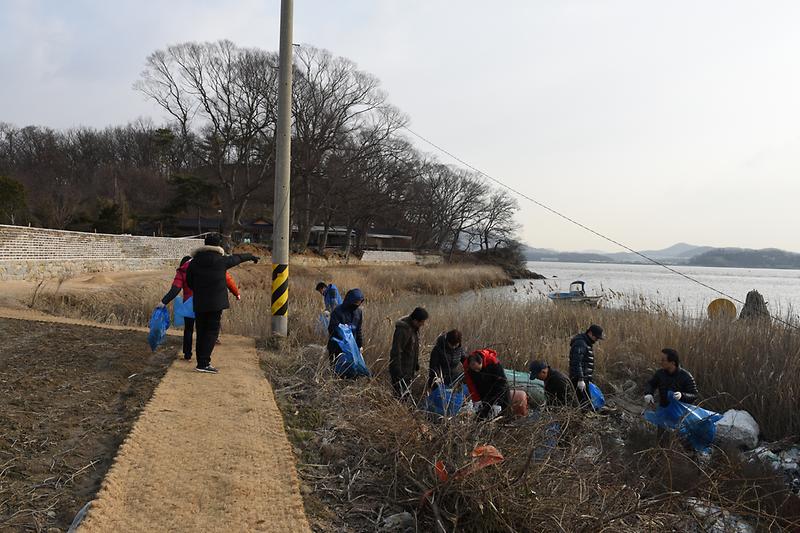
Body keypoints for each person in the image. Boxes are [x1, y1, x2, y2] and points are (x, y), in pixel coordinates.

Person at [185, 233, 259, 374]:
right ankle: (204, 363)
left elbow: (189, 281)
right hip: (216, 303)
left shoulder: (194, 262)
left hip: (199, 301)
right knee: (212, 331)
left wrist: (199, 290)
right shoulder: (221, 261)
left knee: (201, 331)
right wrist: (251, 256)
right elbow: (237, 258)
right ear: (218, 246)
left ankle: (201, 361)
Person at [158, 256, 194, 361]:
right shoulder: (203, 268)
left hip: (189, 303)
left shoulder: (183, 270)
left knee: (188, 330)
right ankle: (203, 358)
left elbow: (175, 289)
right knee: (203, 330)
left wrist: (163, 302)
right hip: (204, 302)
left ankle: (187, 355)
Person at [389, 307, 429, 397]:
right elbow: (396, 352)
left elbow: (413, 348)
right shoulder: (403, 330)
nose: (423, 324)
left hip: (409, 369)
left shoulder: (413, 329)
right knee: (400, 396)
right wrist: (397, 371)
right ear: (415, 320)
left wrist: (416, 363)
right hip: (401, 370)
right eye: (422, 322)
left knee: (406, 394)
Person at [463, 349, 509, 419]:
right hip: (484, 392)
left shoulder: (493, 362)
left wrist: (498, 402)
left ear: (481, 362)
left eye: (478, 369)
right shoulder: (467, 366)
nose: (476, 371)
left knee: (501, 415)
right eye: (474, 370)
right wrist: (476, 400)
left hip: (498, 391)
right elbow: (470, 384)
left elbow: (502, 383)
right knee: (481, 416)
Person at [569, 324, 603, 410]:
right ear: (590, 333)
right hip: (579, 379)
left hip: (584, 378)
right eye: (596, 337)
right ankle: (582, 421)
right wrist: (580, 379)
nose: (597, 340)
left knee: (586, 403)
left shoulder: (586, 342)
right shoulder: (581, 343)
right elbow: (577, 362)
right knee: (584, 404)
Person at [327, 288, 365, 364]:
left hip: (352, 349)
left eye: (359, 303)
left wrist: (360, 345)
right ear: (350, 301)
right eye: (356, 303)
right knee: (337, 371)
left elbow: (358, 330)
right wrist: (343, 331)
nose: (357, 305)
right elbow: (331, 329)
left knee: (352, 371)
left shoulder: (358, 312)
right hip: (337, 348)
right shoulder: (337, 311)